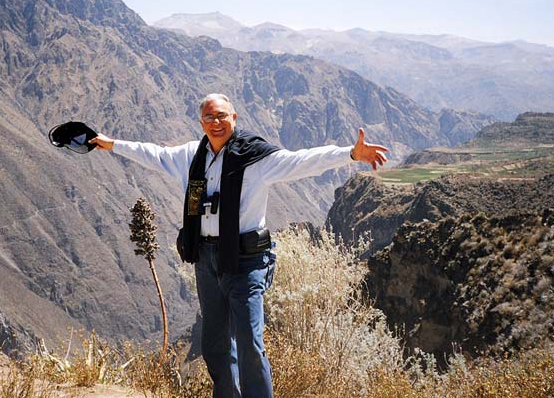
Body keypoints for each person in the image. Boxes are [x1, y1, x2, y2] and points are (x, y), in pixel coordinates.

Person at [89, 93, 388, 398]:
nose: (216, 122)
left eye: (221, 116)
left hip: (246, 262)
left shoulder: (255, 158)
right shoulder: (192, 156)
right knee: (215, 344)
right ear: (201, 122)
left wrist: (350, 154)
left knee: (249, 343)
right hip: (205, 260)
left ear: (234, 117)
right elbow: (152, 154)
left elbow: (302, 161)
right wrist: (111, 144)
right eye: (209, 117)